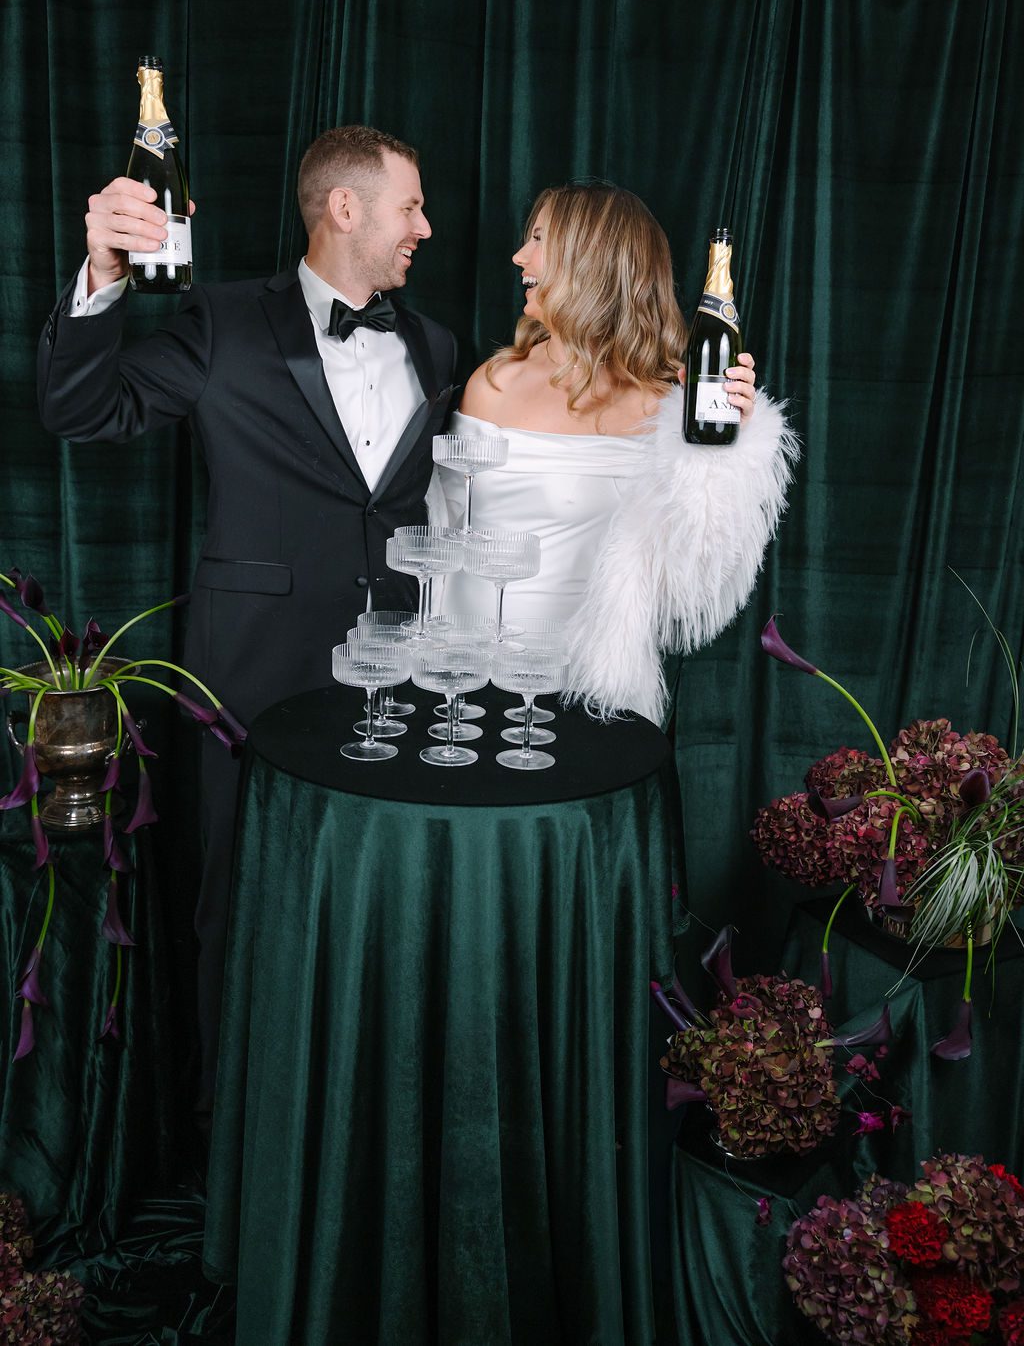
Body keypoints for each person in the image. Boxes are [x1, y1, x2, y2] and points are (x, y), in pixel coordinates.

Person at [37, 125, 458, 1113]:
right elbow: (81, 409)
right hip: (252, 679)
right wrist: (102, 273)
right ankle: (240, 1150)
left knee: (388, 910)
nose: (426, 228)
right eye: (410, 207)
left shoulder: (436, 343)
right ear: (344, 208)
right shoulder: (222, 322)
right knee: (244, 905)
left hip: (403, 678)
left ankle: (370, 1133)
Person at [439, 180, 798, 721]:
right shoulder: (492, 383)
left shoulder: (668, 408)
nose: (519, 256)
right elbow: (441, 534)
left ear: (593, 261)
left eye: (539, 239)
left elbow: (695, 585)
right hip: (469, 684)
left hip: (592, 695)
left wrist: (725, 448)